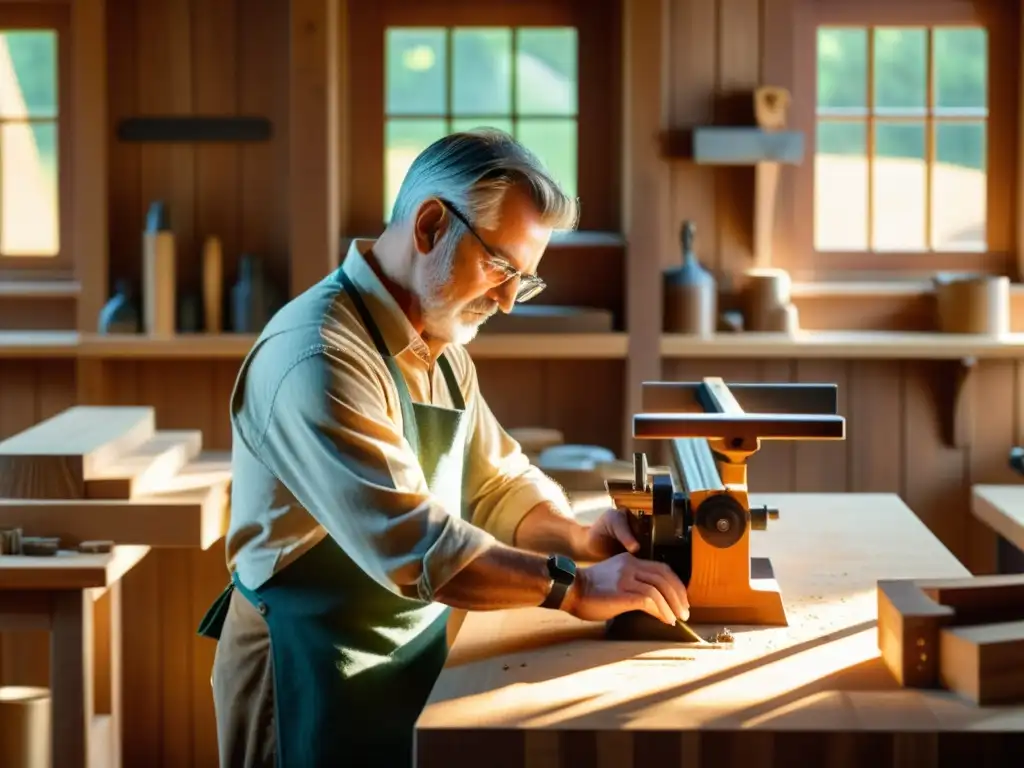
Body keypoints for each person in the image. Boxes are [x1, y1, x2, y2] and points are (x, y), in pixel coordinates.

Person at [197, 129, 690, 768]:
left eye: (526, 280)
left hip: (401, 662)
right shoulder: (317, 357)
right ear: (430, 225)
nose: (510, 300)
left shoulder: (440, 345)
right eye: (502, 267)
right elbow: (414, 544)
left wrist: (577, 538)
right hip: (303, 673)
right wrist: (573, 587)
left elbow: (496, 481)